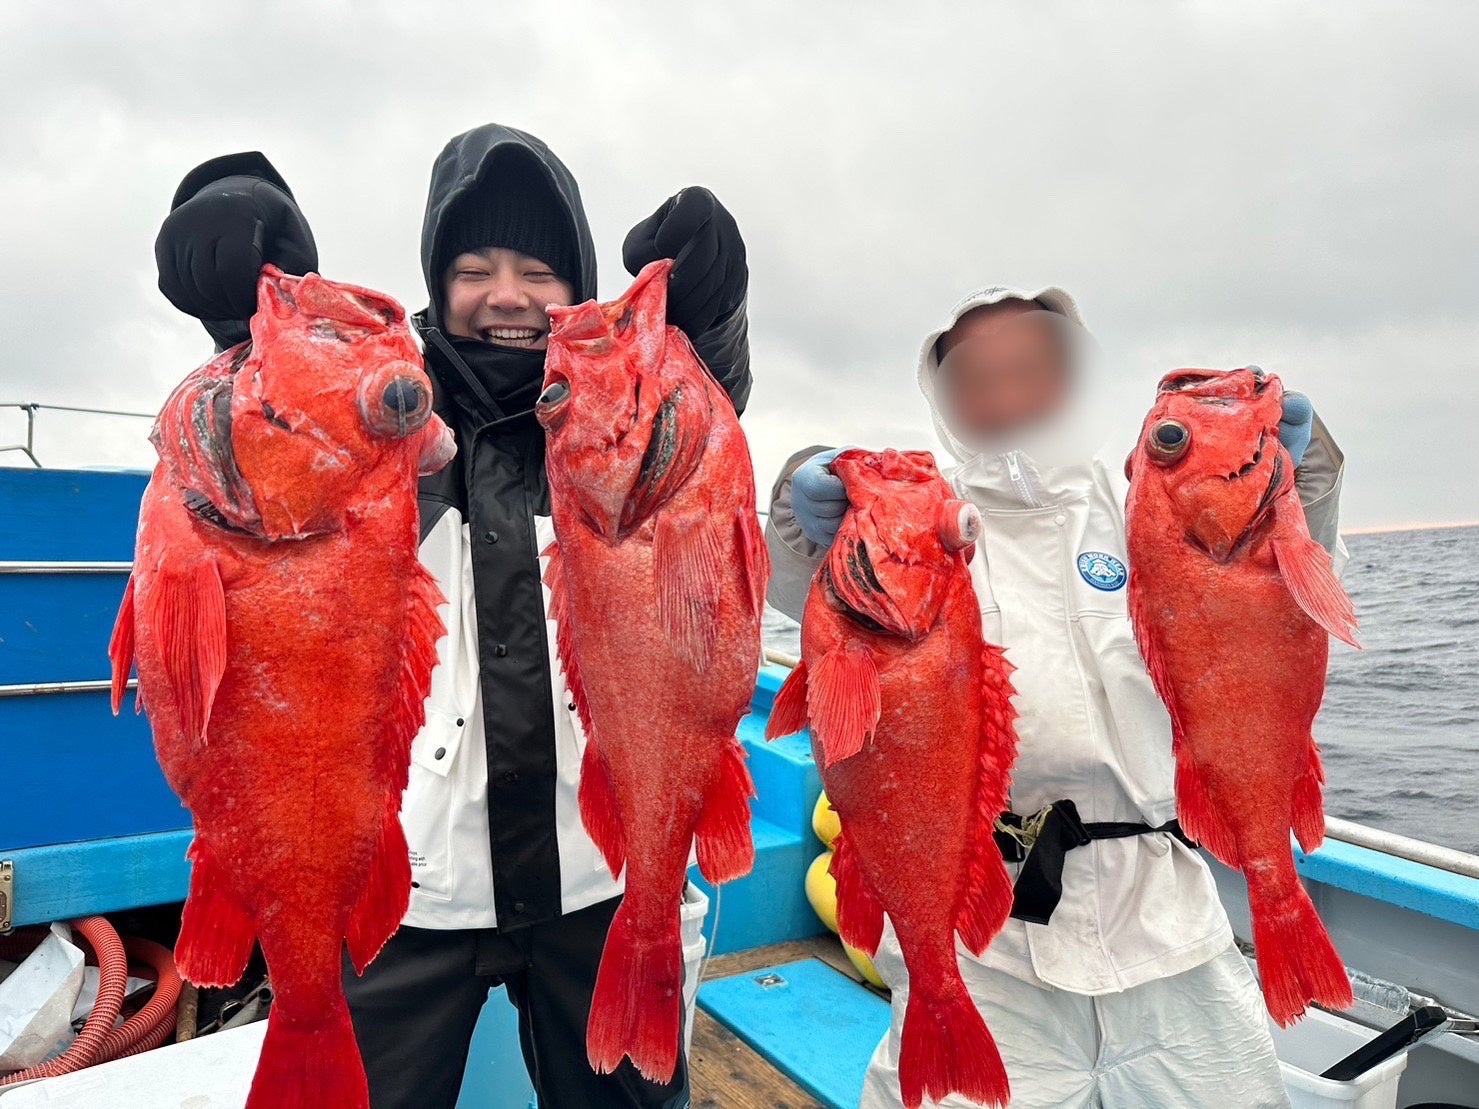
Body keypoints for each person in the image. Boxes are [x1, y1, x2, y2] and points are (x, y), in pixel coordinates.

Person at [153, 123, 753, 1108]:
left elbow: (703, 403)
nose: (508, 295)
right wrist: (229, 224)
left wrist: (715, 312)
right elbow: (271, 406)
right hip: (405, 886)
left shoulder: (623, 417)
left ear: (579, 286)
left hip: (594, 876)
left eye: (537, 270)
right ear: (438, 278)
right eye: (475, 268)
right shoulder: (391, 416)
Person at [766, 285, 1347, 1109]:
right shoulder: (930, 523)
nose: (1005, 395)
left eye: (1032, 365)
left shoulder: (1142, 500)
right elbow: (812, 604)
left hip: (1170, 923)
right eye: (974, 378)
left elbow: (1275, 594)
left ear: (1075, 370)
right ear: (942, 399)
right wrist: (800, 502)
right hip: (985, 936)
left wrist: (1304, 466)